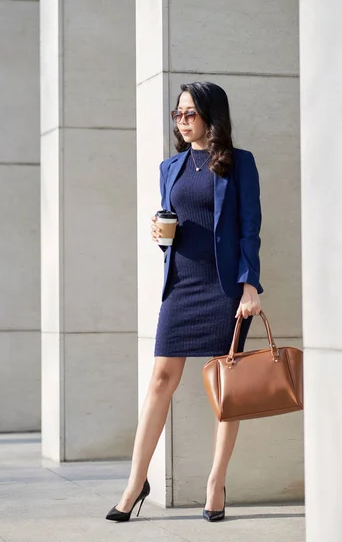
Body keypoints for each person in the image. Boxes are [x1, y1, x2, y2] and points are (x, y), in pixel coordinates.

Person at [106, 81, 262, 523]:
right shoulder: (169, 166)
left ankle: (216, 482)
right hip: (182, 283)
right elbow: (174, 222)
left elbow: (250, 226)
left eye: (189, 113)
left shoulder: (239, 163)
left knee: (225, 389)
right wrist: (161, 235)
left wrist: (250, 285)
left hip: (225, 287)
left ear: (212, 115)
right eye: (178, 114)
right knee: (160, 379)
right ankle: (136, 482)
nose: (182, 121)